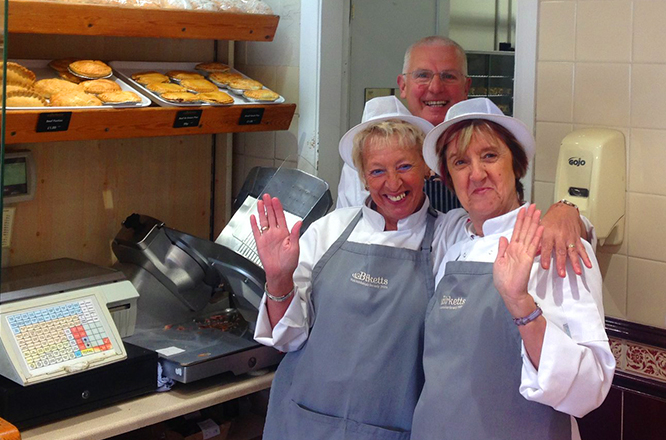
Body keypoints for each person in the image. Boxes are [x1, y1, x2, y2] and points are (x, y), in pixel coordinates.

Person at [410, 98, 614, 439]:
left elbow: (588, 389)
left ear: (516, 165)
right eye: (460, 162)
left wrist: (521, 304)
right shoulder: (450, 240)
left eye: (490, 155)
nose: (476, 174)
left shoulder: (554, 246)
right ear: (448, 178)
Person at [251, 96, 438, 440]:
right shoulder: (328, 230)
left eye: (405, 166)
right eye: (377, 171)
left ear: (427, 167)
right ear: (364, 178)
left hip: (395, 427)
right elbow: (287, 340)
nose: (392, 183)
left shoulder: (447, 241)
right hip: (304, 421)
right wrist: (278, 278)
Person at [337, 35, 595, 279]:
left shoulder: (481, 149)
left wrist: (566, 211)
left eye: (448, 76)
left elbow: (512, 220)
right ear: (403, 85)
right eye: (422, 76)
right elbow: (352, 231)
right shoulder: (372, 156)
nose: (435, 87)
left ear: (466, 86)